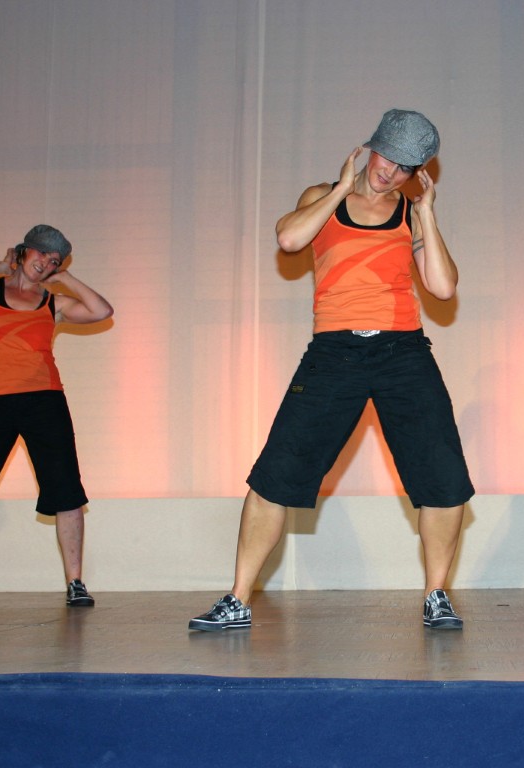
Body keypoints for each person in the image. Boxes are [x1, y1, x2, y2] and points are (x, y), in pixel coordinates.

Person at [189, 109, 474, 632]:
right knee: (276, 474)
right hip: (334, 352)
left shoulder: (410, 213)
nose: (391, 174)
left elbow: (443, 287)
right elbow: (290, 239)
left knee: (444, 477)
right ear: (371, 148)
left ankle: (437, 595)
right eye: (388, 159)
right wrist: (342, 189)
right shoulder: (323, 196)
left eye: (406, 168)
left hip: (403, 352)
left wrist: (427, 214)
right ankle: (238, 599)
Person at [0, 224, 114, 609]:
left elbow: (102, 310)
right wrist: (0, 266)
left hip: (44, 401)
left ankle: (76, 583)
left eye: (55, 260)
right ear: (24, 251)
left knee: (66, 491)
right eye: (41, 253)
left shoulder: (53, 303)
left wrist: (67, 279)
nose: (46, 263)